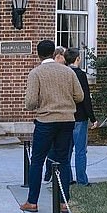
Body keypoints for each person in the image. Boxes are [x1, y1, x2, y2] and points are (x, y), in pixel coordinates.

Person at [20, 39, 83, 213]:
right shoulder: (68, 72)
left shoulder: (36, 73)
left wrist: (42, 102)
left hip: (46, 121)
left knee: (38, 160)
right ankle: (64, 202)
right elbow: (80, 96)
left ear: (38, 54)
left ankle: (32, 201)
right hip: (67, 120)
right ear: (54, 52)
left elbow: (30, 102)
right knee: (63, 160)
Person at [64, 47, 97, 187]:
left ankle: (68, 178)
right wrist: (93, 118)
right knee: (80, 151)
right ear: (78, 59)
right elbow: (85, 99)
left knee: (66, 150)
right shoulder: (80, 75)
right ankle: (82, 180)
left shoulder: (63, 73)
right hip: (80, 117)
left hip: (65, 116)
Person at [43, 47, 68, 182]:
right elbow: (79, 95)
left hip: (48, 117)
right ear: (57, 56)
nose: (65, 59)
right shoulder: (67, 72)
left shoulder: (41, 72)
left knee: (52, 149)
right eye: (63, 56)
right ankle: (51, 173)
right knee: (58, 151)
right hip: (61, 117)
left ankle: (51, 174)